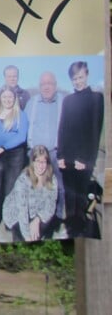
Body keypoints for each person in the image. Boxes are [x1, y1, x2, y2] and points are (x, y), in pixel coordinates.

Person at [57, 61, 104, 237]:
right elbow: (62, 128)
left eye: (81, 77)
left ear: (87, 75)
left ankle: (81, 231)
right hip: (67, 158)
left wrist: (86, 160)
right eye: (74, 78)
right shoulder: (68, 100)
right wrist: (61, 155)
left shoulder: (97, 98)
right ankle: (70, 229)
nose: (78, 81)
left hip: (83, 159)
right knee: (70, 198)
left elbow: (95, 132)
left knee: (81, 197)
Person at [0, 87, 29, 229]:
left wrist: (3, 148)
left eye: (10, 97)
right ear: (0, 99)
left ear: (14, 98)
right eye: (4, 97)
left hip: (15, 155)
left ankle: (9, 217)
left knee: (10, 189)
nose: (7, 100)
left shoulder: (21, 115)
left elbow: (21, 137)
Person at [25, 71, 64, 223]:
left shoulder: (63, 101)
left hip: (56, 152)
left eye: (50, 84)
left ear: (55, 85)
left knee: (58, 186)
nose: (46, 87)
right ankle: (36, 217)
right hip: (35, 153)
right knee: (35, 186)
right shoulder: (32, 103)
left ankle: (59, 216)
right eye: (43, 84)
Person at [2, 145, 59, 241]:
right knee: (23, 239)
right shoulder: (23, 180)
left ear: (48, 163)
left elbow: (51, 205)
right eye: (38, 161)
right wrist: (27, 236)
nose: (41, 165)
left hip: (36, 212)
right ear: (32, 162)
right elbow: (22, 211)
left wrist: (37, 219)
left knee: (42, 227)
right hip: (16, 213)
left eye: (44, 162)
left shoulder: (52, 179)